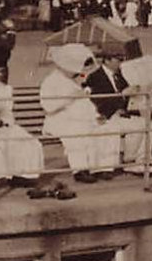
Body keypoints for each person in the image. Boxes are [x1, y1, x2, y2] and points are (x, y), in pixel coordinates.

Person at [40, 44, 116, 183]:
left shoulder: (73, 81)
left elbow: (85, 104)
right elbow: (48, 106)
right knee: (78, 133)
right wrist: (70, 97)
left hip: (82, 118)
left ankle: (101, 167)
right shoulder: (51, 81)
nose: (78, 73)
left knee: (106, 129)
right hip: (60, 120)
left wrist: (96, 116)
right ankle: (80, 169)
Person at [0, 65, 45, 189]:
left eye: (2, 71)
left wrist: (5, 123)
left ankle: (24, 176)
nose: (0, 74)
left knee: (31, 142)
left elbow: (7, 112)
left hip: (5, 125)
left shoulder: (6, 89)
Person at [85, 55, 146, 172]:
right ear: (107, 60)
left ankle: (135, 161)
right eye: (118, 59)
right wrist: (122, 95)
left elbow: (126, 98)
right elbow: (99, 103)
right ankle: (122, 164)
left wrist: (134, 94)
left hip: (119, 114)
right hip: (106, 116)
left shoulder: (120, 75)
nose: (121, 62)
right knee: (119, 128)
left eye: (122, 59)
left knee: (145, 124)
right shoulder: (95, 77)